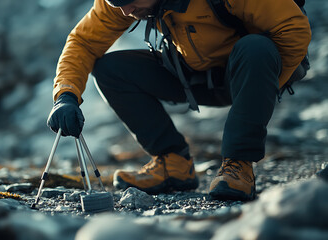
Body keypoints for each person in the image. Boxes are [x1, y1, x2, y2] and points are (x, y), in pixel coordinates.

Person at [47, 0, 311, 201]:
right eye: (118, 3)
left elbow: (292, 28)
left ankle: (238, 165)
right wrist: (66, 96)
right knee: (110, 69)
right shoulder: (123, 2)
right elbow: (82, 42)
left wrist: (259, 90)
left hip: (248, 71)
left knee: (256, 47)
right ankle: (173, 163)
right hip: (192, 77)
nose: (125, 11)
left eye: (130, 1)